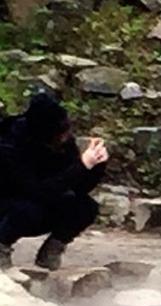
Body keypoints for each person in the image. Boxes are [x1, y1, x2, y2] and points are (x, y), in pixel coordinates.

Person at [0, 92, 109, 271]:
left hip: (41, 199)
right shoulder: (9, 145)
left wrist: (95, 166)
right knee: (27, 210)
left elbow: (77, 186)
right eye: (62, 134)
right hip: (10, 203)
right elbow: (35, 190)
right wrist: (81, 166)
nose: (67, 138)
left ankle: (51, 251)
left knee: (85, 207)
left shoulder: (62, 143)